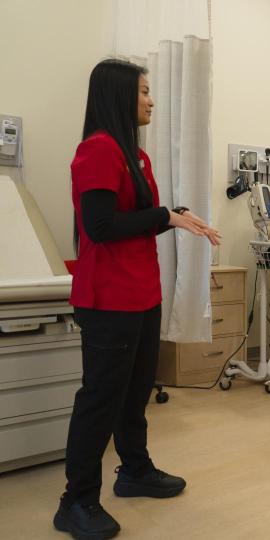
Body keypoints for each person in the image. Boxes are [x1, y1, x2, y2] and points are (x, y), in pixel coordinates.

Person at [55, 59, 221, 540]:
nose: (150, 100)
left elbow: (142, 215)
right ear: (120, 95)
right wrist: (165, 216)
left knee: (135, 393)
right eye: (145, 91)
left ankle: (134, 471)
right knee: (100, 399)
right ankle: (76, 500)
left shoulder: (135, 155)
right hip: (108, 297)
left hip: (142, 293)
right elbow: (101, 225)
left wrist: (176, 215)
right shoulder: (98, 150)